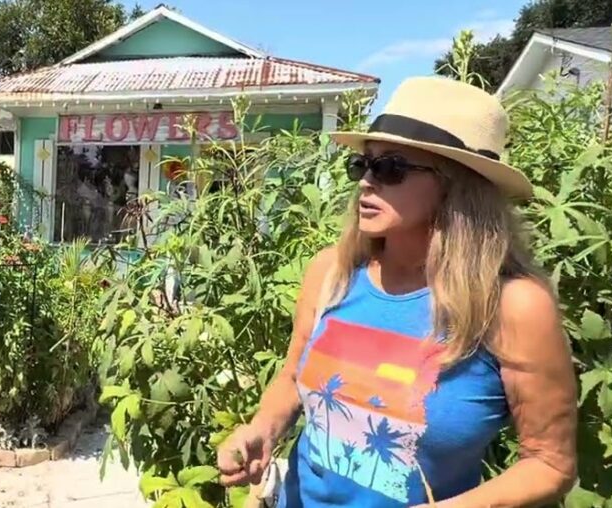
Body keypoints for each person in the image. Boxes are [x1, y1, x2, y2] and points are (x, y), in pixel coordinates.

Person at [217, 77, 577, 507]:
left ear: (456, 184)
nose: (366, 182)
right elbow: (295, 375)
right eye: (362, 165)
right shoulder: (332, 272)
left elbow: (550, 463)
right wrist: (263, 428)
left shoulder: (513, 306)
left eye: (391, 168)